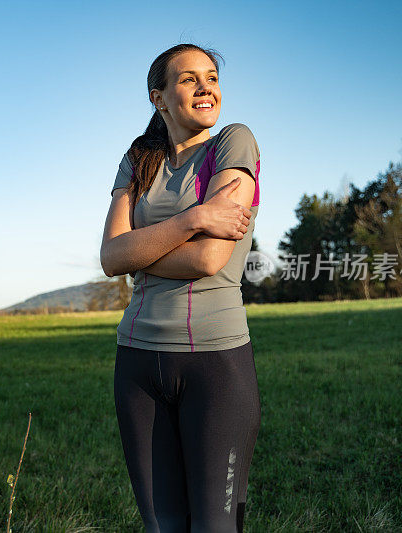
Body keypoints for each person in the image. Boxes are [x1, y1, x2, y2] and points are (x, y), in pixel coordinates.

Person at [100, 43, 262, 532]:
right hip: (136, 363)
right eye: (188, 78)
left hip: (216, 365)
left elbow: (210, 258)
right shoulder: (137, 160)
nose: (205, 86)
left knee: (217, 526)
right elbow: (110, 256)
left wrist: (141, 254)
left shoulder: (234, 143)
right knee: (162, 526)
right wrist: (194, 217)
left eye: (211, 76)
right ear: (160, 98)